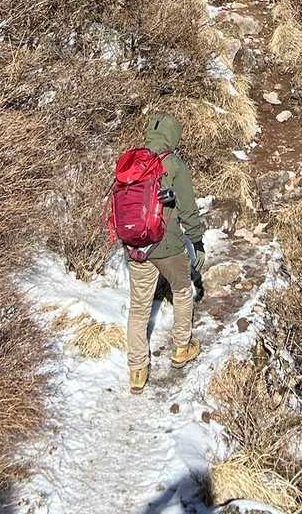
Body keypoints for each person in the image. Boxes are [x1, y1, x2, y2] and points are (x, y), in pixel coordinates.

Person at [125, 112, 206, 394]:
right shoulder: (173, 164)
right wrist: (197, 241)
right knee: (182, 291)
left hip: (137, 245)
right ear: (173, 135)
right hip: (168, 245)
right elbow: (187, 208)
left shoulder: (131, 161)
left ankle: (137, 371)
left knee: (138, 308)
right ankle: (182, 347)